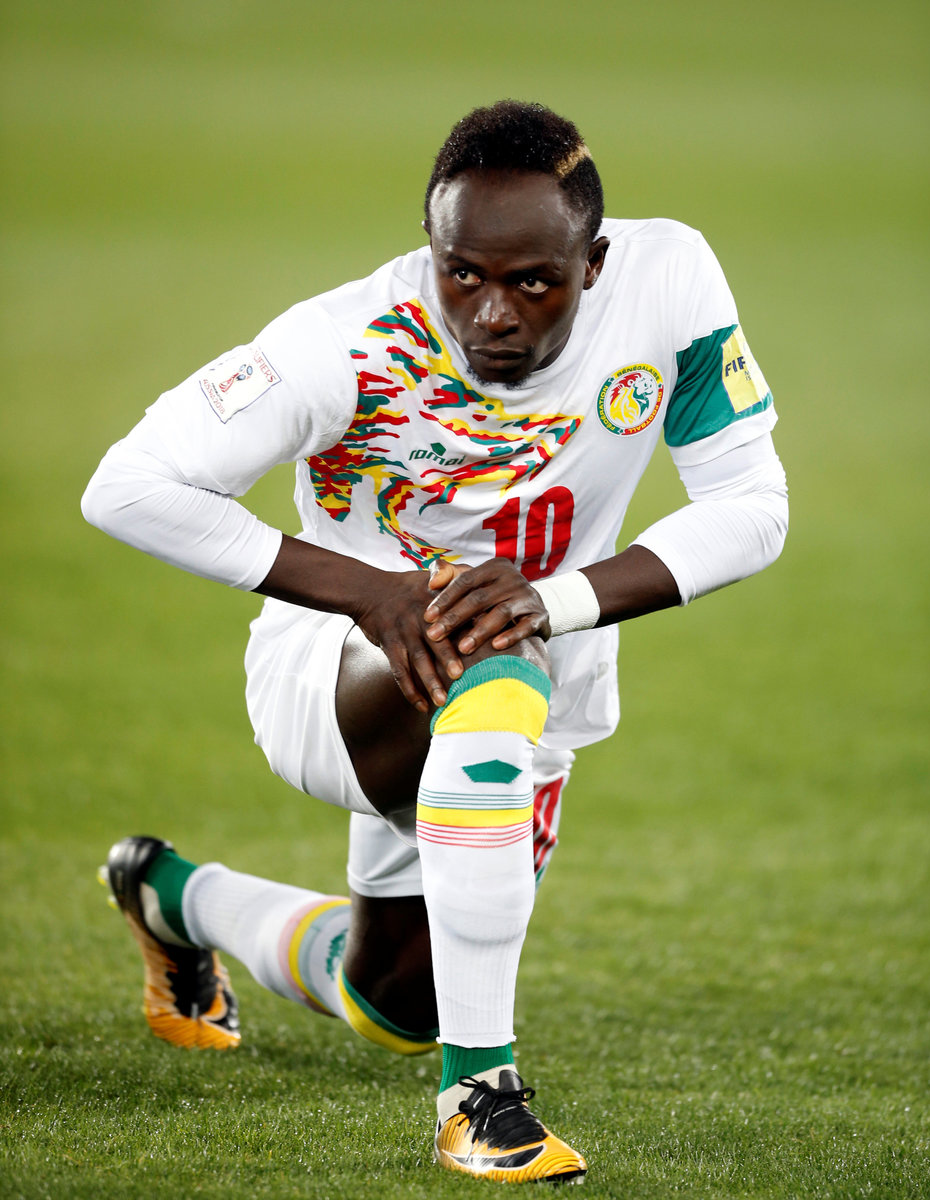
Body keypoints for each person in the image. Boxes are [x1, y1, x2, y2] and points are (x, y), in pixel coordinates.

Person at [82, 99, 788, 1184]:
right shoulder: (341, 346)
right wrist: (373, 594)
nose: (491, 313)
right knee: (479, 645)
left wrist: (553, 602)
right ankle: (481, 1104)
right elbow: (126, 487)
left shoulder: (668, 283)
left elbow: (750, 507)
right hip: (336, 674)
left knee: (395, 1003)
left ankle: (173, 896)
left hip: (535, 675)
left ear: (594, 264)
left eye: (534, 283)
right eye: (463, 273)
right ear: (430, 247)